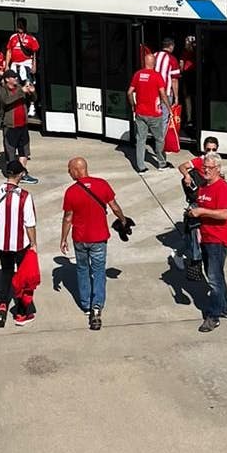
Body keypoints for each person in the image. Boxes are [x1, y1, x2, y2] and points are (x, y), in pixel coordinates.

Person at [59, 157, 129, 331]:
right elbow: (115, 207)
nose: (69, 172)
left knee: (82, 269)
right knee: (98, 271)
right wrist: (123, 220)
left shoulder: (71, 191)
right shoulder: (102, 184)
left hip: (80, 238)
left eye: (69, 169)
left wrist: (63, 238)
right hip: (99, 238)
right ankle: (96, 307)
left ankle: (85, 304)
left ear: (77, 170)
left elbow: (68, 218)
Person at [0, 160, 38, 327]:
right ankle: (21, 312)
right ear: (21, 174)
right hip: (21, 244)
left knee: (6, 272)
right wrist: (34, 243)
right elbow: (30, 223)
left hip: (2, 243)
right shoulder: (24, 196)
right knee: (22, 277)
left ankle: (2, 308)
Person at [186, 153, 227, 333]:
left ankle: (213, 316)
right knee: (217, 276)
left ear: (218, 169)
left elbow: (224, 214)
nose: (206, 170)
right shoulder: (203, 188)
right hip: (205, 238)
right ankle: (226, 308)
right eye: (204, 167)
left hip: (218, 239)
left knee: (213, 279)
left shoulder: (223, 188)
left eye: (210, 168)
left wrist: (201, 212)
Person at [173, 136, 220, 274]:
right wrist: (187, 176)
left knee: (196, 235)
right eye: (208, 149)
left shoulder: (217, 162)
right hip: (196, 201)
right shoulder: (200, 160)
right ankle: (196, 261)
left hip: (208, 201)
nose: (210, 152)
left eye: (213, 149)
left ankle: (180, 253)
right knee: (195, 233)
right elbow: (182, 166)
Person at [127, 52, 171, 173]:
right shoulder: (157, 76)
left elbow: (129, 92)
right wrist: (169, 108)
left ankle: (141, 167)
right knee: (159, 139)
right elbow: (163, 94)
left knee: (141, 140)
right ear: (154, 63)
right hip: (154, 114)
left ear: (144, 63)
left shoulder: (138, 74)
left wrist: (133, 105)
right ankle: (161, 163)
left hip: (140, 113)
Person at [0, 70, 38, 185]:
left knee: (24, 151)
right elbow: (7, 101)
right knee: (10, 152)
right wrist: (21, 91)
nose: (15, 79)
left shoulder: (19, 87)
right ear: (6, 79)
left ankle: (23, 173)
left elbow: (33, 99)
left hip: (23, 125)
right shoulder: (2, 90)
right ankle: (13, 175)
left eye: (16, 77)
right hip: (10, 126)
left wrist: (33, 92)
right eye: (13, 77)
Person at [154, 38, 182, 133]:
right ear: (171, 46)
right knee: (164, 118)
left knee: (153, 117)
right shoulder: (172, 59)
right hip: (166, 93)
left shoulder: (154, 56)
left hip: (153, 93)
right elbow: (174, 80)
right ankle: (160, 143)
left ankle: (155, 137)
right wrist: (176, 97)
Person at [4, 17, 39, 88]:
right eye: (18, 25)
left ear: (25, 25)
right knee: (15, 84)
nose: (20, 26)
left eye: (21, 25)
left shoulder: (31, 38)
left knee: (28, 84)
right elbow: (9, 51)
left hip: (26, 64)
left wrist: (34, 65)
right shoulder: (13, 37)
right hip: (15, 64)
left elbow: (34, 52)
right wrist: (7, 65)